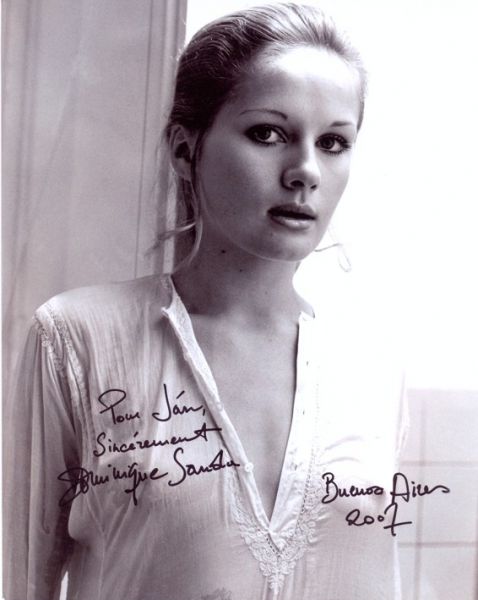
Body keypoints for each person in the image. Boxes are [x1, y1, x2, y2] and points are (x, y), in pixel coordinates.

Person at [4, 3, 407, 599]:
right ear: (184, 149)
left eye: (332, 142)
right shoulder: (77, 338)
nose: (305, 171)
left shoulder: (372, 366)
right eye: (267, 133)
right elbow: (20, 582)